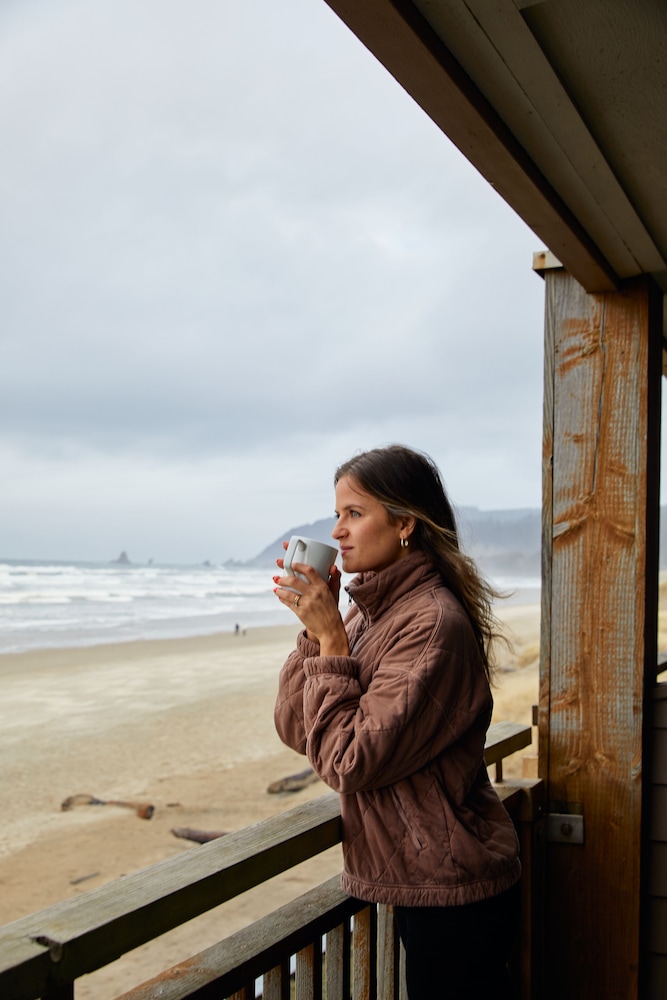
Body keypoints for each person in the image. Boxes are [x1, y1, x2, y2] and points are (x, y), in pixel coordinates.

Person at [273, 445, 521, 999]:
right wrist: (317, 633)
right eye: (336, 514)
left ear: (406, 524)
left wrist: (332, 640)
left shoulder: (432, 624)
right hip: (421, 878)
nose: (337, 531)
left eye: (355, 513)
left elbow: (345, 761)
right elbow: (295, 726)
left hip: (454, 892)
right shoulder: (370, 615)